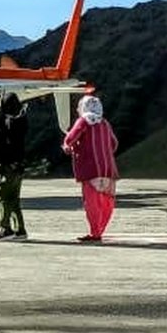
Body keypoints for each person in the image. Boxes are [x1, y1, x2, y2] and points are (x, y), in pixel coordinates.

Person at [62, 95, 119, 243]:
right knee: (106, 202)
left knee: (92, 203)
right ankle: (100, 230)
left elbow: (70, 138)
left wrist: (69, 147)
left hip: (91, 170)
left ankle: (95, 232)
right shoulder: (105, 123)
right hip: (108, 170)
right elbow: (113, 144)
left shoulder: (83, 121)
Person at [0, 93, 30, 241]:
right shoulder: (22, 120)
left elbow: (2, 145)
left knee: (2, 196)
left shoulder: (5, 123)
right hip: (19, 165)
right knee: (14, 198)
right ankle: (20, 229)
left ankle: (5, 227)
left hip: (7, 165)